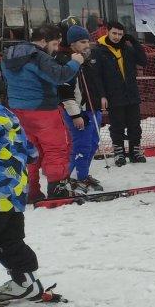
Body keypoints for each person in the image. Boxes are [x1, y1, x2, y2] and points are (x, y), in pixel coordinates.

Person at [1, 25, 82, 200]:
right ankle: (57, 187)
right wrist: (75, 62)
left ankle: (30, 190)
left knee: (29, 150)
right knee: (56, 148)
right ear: (43, 40)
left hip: (17, 110)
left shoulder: (9, 54)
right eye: (54, 44)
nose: (55, 49)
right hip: (44, 110)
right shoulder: (38, 56)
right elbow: (59, 76)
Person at [0, 102, 50, 302]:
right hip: (14, 194)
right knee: (9, 240)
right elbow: (31, 153)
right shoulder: (7, 114)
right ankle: (24, 282)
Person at [89, 21, 148, 166]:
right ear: (108, 32)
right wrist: (102, 95)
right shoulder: (99, 50)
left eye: (120, 34)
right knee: (117, 125)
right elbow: (96, 76)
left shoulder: (127, 48)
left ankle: (135, 151)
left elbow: (143, 61)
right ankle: (119, 152)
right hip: (113, 95)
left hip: (131, 94)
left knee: (135, 125)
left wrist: (134, 42)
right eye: (114, 33)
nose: (117, 37)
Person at [56, 25, 105, 194]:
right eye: (82, 42)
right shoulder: (68, 62)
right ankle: (69, 177)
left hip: (93, 108)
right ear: (72, 44)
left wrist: (101, 98)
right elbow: (65, 91)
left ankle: (82, 174)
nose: (87, 45)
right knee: (81, 146)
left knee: (92, 144)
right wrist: (75, 114)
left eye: (88, 41)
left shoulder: (88, 60)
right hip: (79, 111)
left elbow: (95, 83)